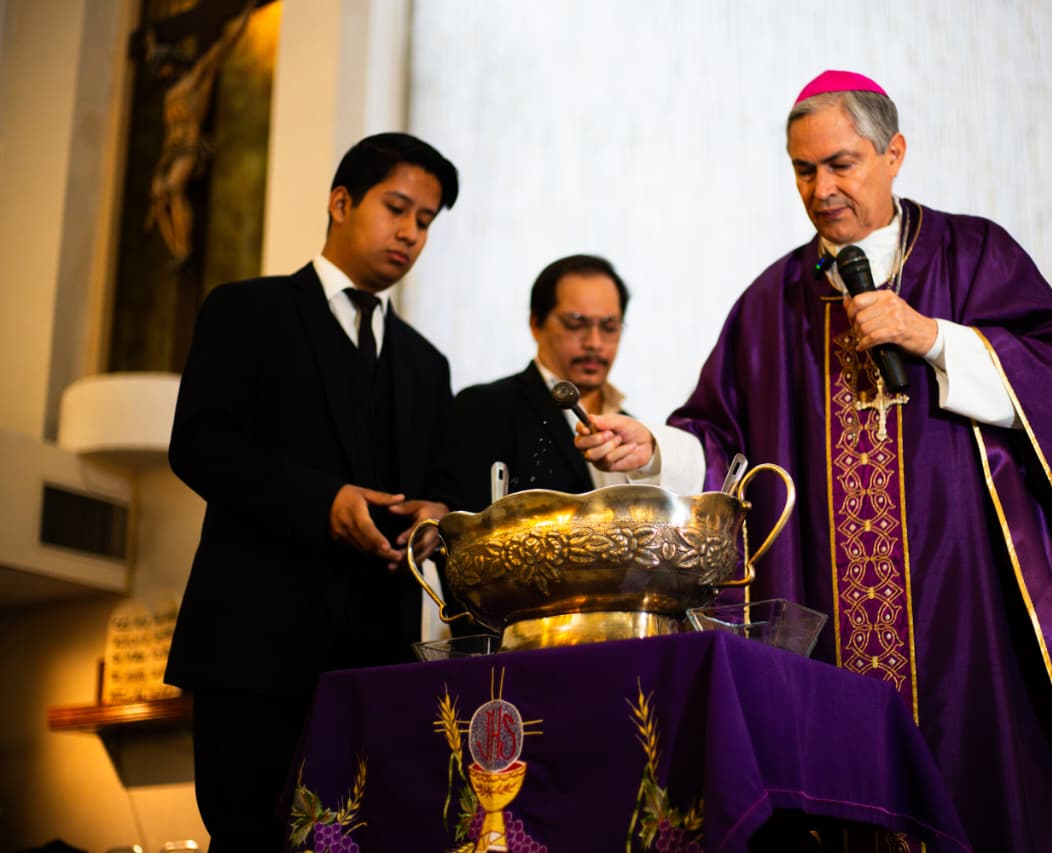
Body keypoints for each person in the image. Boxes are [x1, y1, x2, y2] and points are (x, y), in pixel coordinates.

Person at [575, 71, 1052, 851]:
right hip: (829, 628)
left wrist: (933, 338)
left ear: (894, 154)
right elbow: (722, 445)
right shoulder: (770, 303)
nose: (821, 190)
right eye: (802, 170)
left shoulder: (972, 255)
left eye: (840, 164)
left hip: (971, 615)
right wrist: (655, 450)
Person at [164, 132, 459, 851]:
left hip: (376, 658)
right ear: (341, 202)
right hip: (254, 647)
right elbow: (200, 444)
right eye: (397, 208)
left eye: (425, 221)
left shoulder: (427, 364)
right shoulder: (246, 311)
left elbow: (433, 486)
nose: (411, 233)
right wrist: (323, 501)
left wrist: (434, 514)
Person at [431, 254, 693, 514]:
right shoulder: (487, 407)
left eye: (609, 327)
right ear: (536, 323)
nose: (594, 343)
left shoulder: (634, 434)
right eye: (575, 323)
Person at [145, 0, 256, 262]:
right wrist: (161, 168)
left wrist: (245, 15)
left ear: (172, 62)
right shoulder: (170, 97)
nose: (163, 73)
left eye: (164, 67)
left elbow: (221, 48)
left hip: (192, 148)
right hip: (173, 151)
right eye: (159, 71)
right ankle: (177, 249)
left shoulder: (196, 80)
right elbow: (169, 134)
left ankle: (184, 249)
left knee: (174, 188)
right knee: (158, 194)